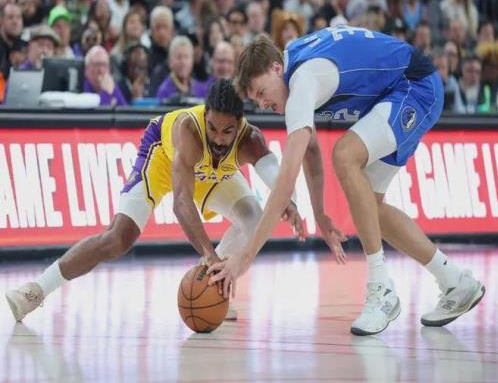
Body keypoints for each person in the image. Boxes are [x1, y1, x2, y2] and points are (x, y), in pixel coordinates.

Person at [208, 27, 485, 336]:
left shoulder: (303, 81)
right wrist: (320, 213)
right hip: (395, 92)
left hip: (414, 86)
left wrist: (244, 259)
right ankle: (456, 282)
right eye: (255, 99)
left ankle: (381, 289)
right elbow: (311, 150)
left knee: (344, 154)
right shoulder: (292, 72)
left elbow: (285, 183)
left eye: (261, 92)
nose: (262, 104)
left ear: (275, 68)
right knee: (372, 209)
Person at [5, 80, 302, 322]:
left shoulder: (251, 139)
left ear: (240, 125)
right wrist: (211, 256)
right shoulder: (189, 129)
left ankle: (212, 285)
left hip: (212, 173)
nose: (218, 138)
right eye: (212, 127)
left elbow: (278, 177)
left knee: (254, 219)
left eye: (227, 132)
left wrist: (291, 201)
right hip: (160, 159)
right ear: (205, 115)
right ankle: (34, 290)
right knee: (118, 238)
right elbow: (181, 203)